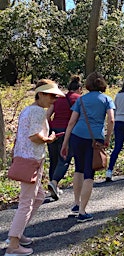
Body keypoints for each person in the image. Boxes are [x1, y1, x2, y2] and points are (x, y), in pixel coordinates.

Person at [5, 80, 64, 256]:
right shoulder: (38, 111)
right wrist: (49, 139)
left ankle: (18, 233)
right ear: (41, 94)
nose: (54, 99)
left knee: (38, 197)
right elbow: (34, 136)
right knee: (26, 202)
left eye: (55, 96)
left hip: (25, 159)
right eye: (51, 95)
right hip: (31, 161)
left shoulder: (28, 109)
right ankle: (13, 244)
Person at [60, 72, 115, 223]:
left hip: (77, 136)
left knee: (78, 169)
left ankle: (76, 204)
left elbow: (71, 122)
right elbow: (111, 119)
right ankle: (83, 211)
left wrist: (65, 142)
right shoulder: (106, 99)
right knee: (89, 173)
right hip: (95, 138)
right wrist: (108, 138)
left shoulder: (81, 99)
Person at [46, 75, 83, 200]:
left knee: (53, 159)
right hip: (68, 132)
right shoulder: (78, 99)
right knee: (64, 159)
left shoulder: (58, 99)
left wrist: (51, 128)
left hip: (53, 131)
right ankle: (54, 182)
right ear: (79, 88)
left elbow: (47, 115)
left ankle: (54, 187)